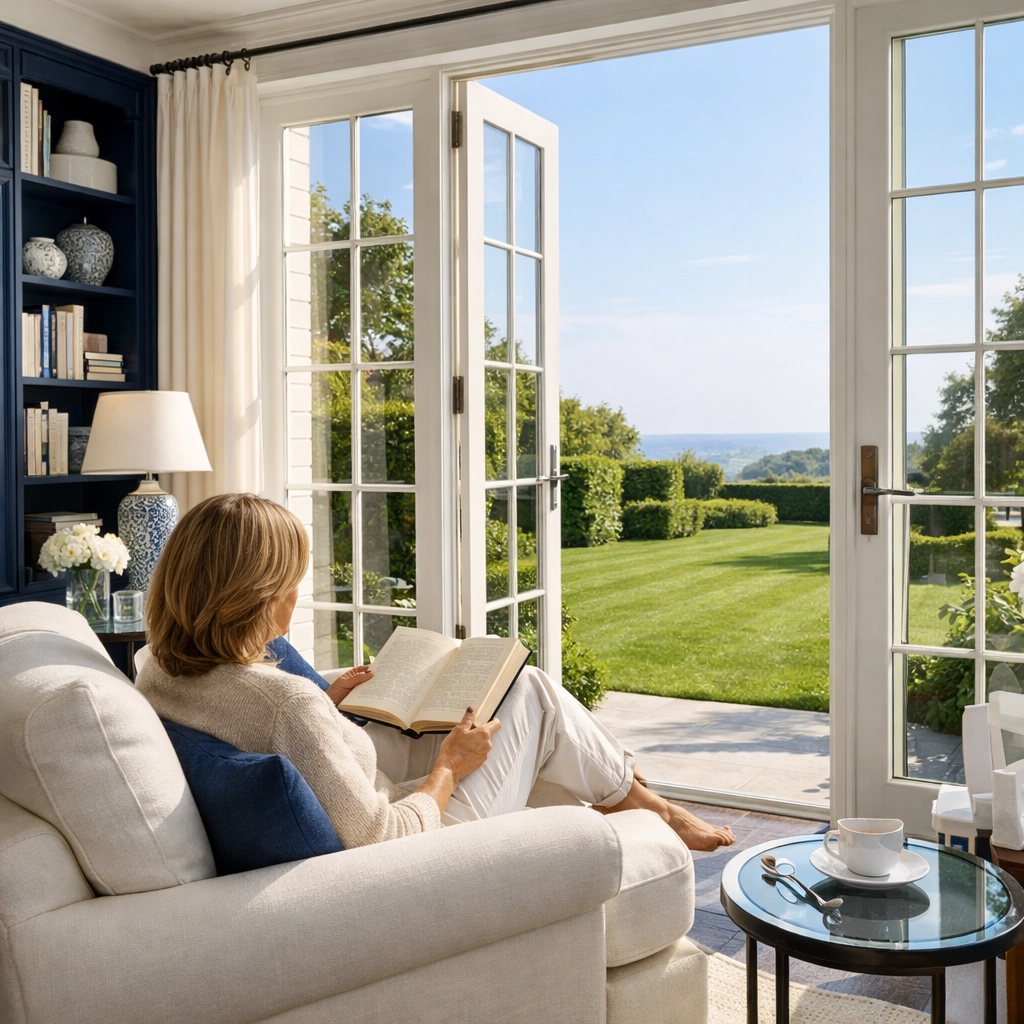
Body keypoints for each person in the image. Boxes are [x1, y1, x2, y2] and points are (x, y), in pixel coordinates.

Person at [136, 493, 734, 852]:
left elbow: (263, 725)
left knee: (521, 704)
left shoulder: (157, 664)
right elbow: (383, 838)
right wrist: (449, 767)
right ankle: (645, 806)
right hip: (417, 849)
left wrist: (330, 699)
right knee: (528, 692)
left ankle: (628, 798)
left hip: (361, 779)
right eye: (293, 579)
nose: (298, 592)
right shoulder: (286, 705)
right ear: (261, 596)